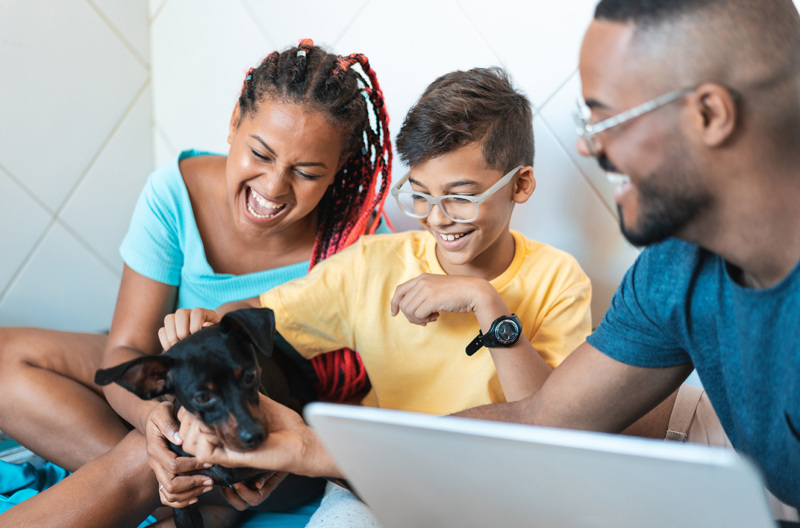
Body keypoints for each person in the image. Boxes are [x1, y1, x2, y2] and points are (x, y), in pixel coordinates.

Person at [179, 0, 800, 520]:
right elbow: (547, 421)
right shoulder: (670, 275)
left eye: (607, 118)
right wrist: (308, 447)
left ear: (710, 114)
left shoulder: (566, 277)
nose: (587, 146)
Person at [163, 66, 594, 525]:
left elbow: (551, 423)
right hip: (374, 483)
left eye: (460, 197)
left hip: (498, 491)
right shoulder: (373, 265)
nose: (437, 218)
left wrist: (485, 301)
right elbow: (254, 313)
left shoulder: (559, 279)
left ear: (520, 185)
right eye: (421, 195)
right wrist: (209, 323)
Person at [0, 38, 392, 528]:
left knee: (186, 435)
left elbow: (364, 406)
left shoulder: (362, 247)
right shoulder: (175, 192)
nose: (273, 187)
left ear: (338, 169)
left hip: (269, 421)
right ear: (234, 122)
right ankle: (186, 493)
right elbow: (124, 350)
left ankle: (167, 479)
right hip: (176, 386)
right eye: (261, 153)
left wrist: (177, 439)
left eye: (307, 172)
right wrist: (153, 425)